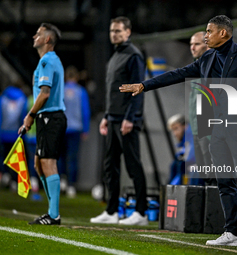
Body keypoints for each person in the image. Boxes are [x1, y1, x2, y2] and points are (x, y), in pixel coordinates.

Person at [120, 15, 237, 247]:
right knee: (224, 181)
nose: (205, 35)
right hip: (218, 130)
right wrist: (145, 85)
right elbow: (177, 74)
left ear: (224, 33)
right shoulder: (207, 57)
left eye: (209, 31)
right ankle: (233, 233)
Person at [90, 16, 147, 226]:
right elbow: (112, 92)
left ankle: (140, 212)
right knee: (110, 167)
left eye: (118, 31)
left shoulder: (134, 56)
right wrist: (106, 116)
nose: (114, 34)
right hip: (113, 119)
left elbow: (138, 90)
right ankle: (112, 210)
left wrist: (130, 118)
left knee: (133, 165)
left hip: (126, 121)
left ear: (128, 32)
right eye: (112, 31)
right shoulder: (115, 56)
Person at [19, 23, 67, 225]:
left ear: (47, 39)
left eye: (38, 34)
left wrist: (30, 115)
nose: (34, 36)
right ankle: (51, 211)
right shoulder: (48, 61)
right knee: (39, 164)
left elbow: (44, 94)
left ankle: (53, 214)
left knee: (47, 163)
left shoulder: (47, 61)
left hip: (50, 117)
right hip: (48, 118)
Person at [188, 31, 216, 186]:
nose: (192, 48)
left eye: (197, 44)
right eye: (191, 44)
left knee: (214, 173)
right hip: (197, 131)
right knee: (205, 173)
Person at [58, 65, 90, 198]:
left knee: (60, 156)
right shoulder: (81, 91)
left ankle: (61, 180)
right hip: (76, 128)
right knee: (73, 157)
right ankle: (71, 185)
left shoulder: (60, 90)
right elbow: (85, 111)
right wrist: (86, 129)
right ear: (76, 77)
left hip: (61, 128)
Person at [0, 82, 27, 190]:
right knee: (16, 160)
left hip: (4, 133)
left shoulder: (3, 98)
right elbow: (23, 117)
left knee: (4, 157)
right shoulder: (22, 99)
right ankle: (14, 182)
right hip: (16, 134)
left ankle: (5, 175)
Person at [167, 114, 198, 185]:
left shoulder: (192, 135)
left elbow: (191, 157)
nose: (175, 133)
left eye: (176, 128)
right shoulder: (186, 140)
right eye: (173, 130)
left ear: (185, 126)